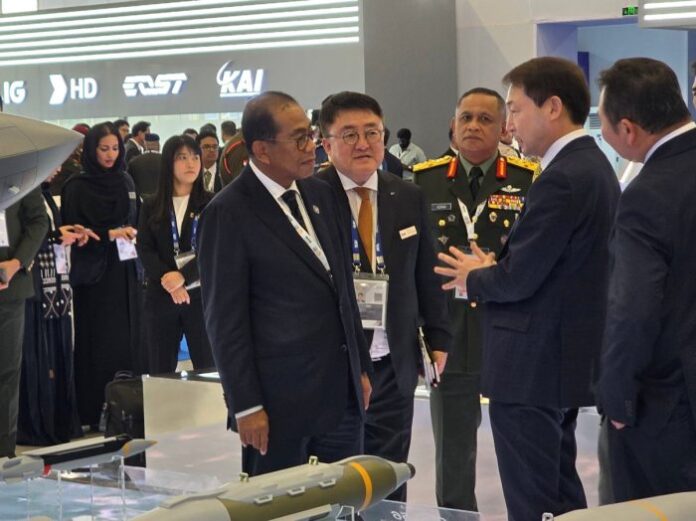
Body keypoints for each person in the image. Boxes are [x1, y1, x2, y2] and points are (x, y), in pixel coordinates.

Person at [434, 57, 620, 521]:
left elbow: (519, 278)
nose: (509, 124)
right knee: (558, 494)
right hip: (553, 361)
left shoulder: (562, 178)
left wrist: (474, 276)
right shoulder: (587, 166)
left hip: (532, 366)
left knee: (533, 500)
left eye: (515, 110)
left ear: (552, 107)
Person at [198, 91, 372, 477]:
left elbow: (343, 289)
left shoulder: (320, 193)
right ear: (262, 149)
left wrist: (359, 368)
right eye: (299, 139)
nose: (311, 146)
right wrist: (245, 405)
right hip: (277, 406)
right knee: (282, 503)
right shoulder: (228, 213)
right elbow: (225, 321)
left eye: (310, 134)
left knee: (344, 500)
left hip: (340, 397)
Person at [316, 92, 451, 501]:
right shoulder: (311, 197)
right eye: (349, 134)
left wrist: (439, 338)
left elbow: (426, 274)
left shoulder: (407, 195)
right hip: (335, 364)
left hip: (394, 360)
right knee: (338, 479)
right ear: (326, 143)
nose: (363, 144)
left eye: (372, 132)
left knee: (390, 475)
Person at [413, 87, 535, 512]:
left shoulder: (529, 180)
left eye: (485, 119)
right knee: (452, 449)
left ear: (504, 128)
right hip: (448, 333)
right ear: (453, 124)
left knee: (524, 445)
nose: (473, 126)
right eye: (466, 117)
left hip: (507, 330)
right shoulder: (423, 181)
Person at [597, 58, 696, 502]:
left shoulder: (649, 193)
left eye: (604, 126)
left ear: (628, 130)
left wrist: (617, 398)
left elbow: (633, 307)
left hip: (668, 405)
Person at [61, 122, 141, 429]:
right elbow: (73, 231)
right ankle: (93, 410)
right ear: (92, 150)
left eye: (115, 148)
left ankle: (125, 410)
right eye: (104, 149)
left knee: (124, 341)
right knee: (96, 342)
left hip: (124, 272)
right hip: (94, 277)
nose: (110, 155)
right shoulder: (77, 186)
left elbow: (135, 217)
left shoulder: (125, 180)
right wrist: (109, 234)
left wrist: (130, 233)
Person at [18, 173, 98, 446]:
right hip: (33, 285)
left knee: (54, 351)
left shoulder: (43, 193)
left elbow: (45, 231)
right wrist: (54, 236)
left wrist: (65, 233)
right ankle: (36, 423)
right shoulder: (21, 193)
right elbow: (23, 238)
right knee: (36, 353)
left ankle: (56, 420)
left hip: (53, 285)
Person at [136, 135, 214, 374]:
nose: (191, 163)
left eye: (195, 157)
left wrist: (183, 277)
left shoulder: (211, 203)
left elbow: (213, 248)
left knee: (208, 367)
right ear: (168, 162)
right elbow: (145, 248)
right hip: (162, 294)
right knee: (161, 369)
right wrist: (169, 280)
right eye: (182, 157)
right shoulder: (151, 205)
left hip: (201, 296)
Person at [0, 187, 49, 457]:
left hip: (10, 286)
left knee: (6, 374)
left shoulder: (18, 169)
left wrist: (17, 262)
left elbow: (39, 220)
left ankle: (3, 454)